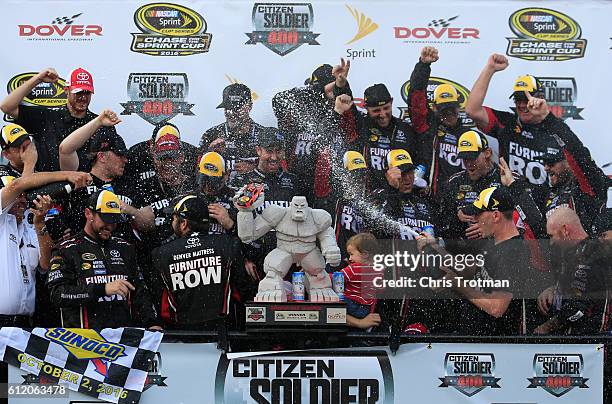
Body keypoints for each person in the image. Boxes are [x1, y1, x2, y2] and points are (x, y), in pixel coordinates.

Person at [466, 54, 608, 201]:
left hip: (546, 206)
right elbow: (472, 110)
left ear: (540, 98)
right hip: (512, 201)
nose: (521, 105)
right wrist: (490, 68)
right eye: (517, 100)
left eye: (526, 99)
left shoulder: (555, 129)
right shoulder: (507, 123)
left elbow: (577, 162)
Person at [47, 189, 161, 329]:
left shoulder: (125, 247)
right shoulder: (66, 249)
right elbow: (58, 295)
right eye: (106, 219)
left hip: (122, 340)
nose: (110, 226)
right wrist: (102, 289)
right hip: (83, 343)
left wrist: (152, 322)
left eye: (114, 220)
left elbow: (139, 291)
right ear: (89, 214)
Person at [428, 186, 530, 335]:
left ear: (495, 216)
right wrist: (437, 248)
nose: (475, 219)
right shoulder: (494, 242)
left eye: (479, 214)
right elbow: (478, 269)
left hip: (493, 345)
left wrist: (458, 284)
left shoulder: (513, 252)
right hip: (475, 336)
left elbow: (496, 308)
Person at [0, 169, 91, 326]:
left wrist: (40, 223)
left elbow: (46, 264)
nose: (22, 200)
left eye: (24, 196)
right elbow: (17, 185)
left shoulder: (29, 228)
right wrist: (67, 175)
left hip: (24, 323)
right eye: (18, 196)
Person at [272, 60, 356, 212]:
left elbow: (348, 108)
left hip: (332, 191)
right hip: (296, 189)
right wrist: (321, 89)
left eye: (334, 88)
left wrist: (342, 86)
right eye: (329, 88)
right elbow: (278, 100)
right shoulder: (299, 112)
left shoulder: (344, 110)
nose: (332, 94)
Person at [0, 67, 118, 172]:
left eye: (87, 93)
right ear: (66, 90)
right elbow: (6, 106)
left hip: (86, 190)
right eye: (78, 92)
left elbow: (112, 160)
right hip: (47, 190)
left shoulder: (100, 122)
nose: (83, 97)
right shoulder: (47, 116)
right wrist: (38, 79)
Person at [152, 194, 243, 329]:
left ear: (184, 224)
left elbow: (161, 300)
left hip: (181, 336)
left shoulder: (160, 253)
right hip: (223, 332)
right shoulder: (228, 244)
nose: (172, 222)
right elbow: (242, 289)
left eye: (174, 218)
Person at [534, 207, 609, 335]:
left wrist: (545, 328)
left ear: (565, 230)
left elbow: (577, 309)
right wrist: (553, 289)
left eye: (552, 236)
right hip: (572, 342)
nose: (551, 243)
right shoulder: (574, 253)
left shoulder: (592, 254)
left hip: (589, 344)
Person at [407, 46, 470, 196]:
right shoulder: (427, 126)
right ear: (434, 108)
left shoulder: (467, 136)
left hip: (458, 200)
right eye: (444, 109)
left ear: (458, 107)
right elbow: (416, 98)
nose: (449, 113)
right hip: (428, 197)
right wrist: (423, 65)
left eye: (452, 108)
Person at [352, 83, 420, 192]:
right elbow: (346, 106)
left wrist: (418, 182)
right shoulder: (359, 126)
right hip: (367, 198)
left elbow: (417, 163)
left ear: (392, 102)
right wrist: (341, 86)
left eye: (386, 108)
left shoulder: (406, 129)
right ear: (366, 108)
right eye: (376, 110)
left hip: (398, 197)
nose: (383, 114)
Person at [439, 130, 502, 242]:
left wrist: (491, 226)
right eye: (465, 158)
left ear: (487, 153)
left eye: (472, 157)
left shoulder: (506, 180)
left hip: (500, 249)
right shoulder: (454, 182)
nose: (468, 163)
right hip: (465, 252)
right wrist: (457, 215)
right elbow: (442, 224)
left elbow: (521, 222)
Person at [200, 83, 265, 179]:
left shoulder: (264, 135)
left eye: (236, 108)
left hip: (257, 192)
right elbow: (198, 172)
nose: (231, 113)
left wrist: (256, 168)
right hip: (221, 192)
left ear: (250, 107)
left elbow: (280, 171)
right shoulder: (211, 135)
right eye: (227, 108)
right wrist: (209, 153)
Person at [124, 122, 199, 186]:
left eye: (173, 157)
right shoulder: (136, 154)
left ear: (181, 157)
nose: (168, 163)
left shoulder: (193, 155)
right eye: (162, 157)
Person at [333, 151, 370, 267]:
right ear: (345, 175)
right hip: (341, 260)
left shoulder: (371, 200)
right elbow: (334, 232)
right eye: (355, 174)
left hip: (364, 261)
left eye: (362, 173)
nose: (359, 178)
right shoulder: (337, 199)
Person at [197, 152, 237, 235]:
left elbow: (252, 241)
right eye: (203, 179)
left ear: (226, 175)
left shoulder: (237, 200)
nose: (207, 186)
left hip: (226, 246)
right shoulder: (189, 198)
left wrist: (230, 224)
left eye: (214, 182)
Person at [341, 233, 378, 319]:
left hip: (352, 305)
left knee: (333, 299)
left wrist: (320, 275)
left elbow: (337, 279)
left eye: (351, 254)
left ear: (365, 254)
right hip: (367, 309)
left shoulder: (354, 268)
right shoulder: (378, 269)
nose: (350, 258)